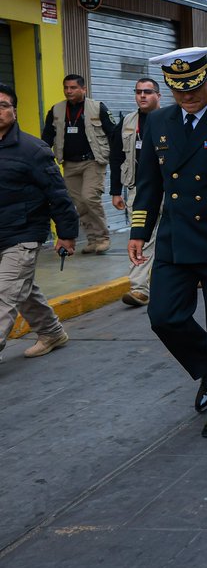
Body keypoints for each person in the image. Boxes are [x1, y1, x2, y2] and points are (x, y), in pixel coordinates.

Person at [128, 47, 207, 438]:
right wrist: (139, 232)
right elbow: (150, 183)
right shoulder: (159, 122)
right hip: (175, 237)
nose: (188, 96)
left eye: (195, 87)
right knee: (164, 316)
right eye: (179, 90)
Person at [0, 83, 78, 360]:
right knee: (22, 289)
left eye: (3, 105)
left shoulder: (33, 150)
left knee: (4, 295)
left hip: (23, 233)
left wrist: (67, 233)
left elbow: (57, 194)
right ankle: (52, 332)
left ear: (14, 111)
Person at [40, 74, 123, 254]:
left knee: (89, 197)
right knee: (79, 203)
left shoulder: (97, 107)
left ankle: (102, 238)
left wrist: (117, 157)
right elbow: (47, 137)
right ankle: (92, 240)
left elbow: (113, 134)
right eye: (66, 88)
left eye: (73, 88)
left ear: (83, 89)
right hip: (69, 164)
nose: (69, 91)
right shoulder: (56, 110)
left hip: (93, 162)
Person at [114, 78, 162, 307]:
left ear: (158, 96)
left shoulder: (170, 119)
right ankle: (139, 288)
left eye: (148, 92)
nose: (142, 96)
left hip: (170, 189)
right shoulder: (127, 122)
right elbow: (117, 157)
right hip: (138, 189)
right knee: (142, 236)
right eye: (138, 92)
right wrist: (116, 191)